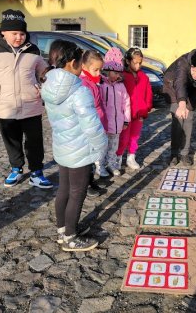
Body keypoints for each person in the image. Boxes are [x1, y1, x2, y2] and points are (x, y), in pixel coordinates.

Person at [0, 9, 53, 189]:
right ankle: (16, 168)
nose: (19, 37)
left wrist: (52, 78)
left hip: (31, 103)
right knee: (12, 140)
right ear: (3, 32)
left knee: (34, 141)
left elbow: (43, 72)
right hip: (4, 105)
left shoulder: (33, 49)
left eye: (22, 33)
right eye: (14, 33)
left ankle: (36, 172)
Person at [41, 39, 107, 252]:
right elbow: (91, 125)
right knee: (78, 192)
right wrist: (101, 146)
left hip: (62, 146)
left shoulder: (50, 84)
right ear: (71, 63)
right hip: (79, 149)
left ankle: (63, 230)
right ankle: (70, 237)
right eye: (79, 62)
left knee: (64, 190)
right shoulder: (79, 91)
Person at [162, 47, 196, 166]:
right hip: (173, 85)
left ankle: (185, 153)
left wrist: (188, 106)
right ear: (191, 64)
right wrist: (182, 104)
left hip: (193, 89)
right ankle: (174, 153)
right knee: (178, 119)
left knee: (189, 119)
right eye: (194, 70)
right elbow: (180, 83)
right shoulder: (183, 63)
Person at [116, 47, 153, 170]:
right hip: (125, 114)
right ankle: (118, 157)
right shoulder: (122, 76)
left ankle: (131, 157)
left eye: (140, 63)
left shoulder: (144, 77)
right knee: (124, 137)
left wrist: (146, 108)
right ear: (128, 61)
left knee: (135, 136)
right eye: (135, 62)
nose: (138, 65)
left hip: (139, 113)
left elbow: (148, 94)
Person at [100, 47, 131, 177]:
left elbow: (126, 103)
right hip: (104, 125)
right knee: (102, 147)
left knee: (113, 147)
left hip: (117, 124)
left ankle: (111, 164)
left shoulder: (121, 86)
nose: (118, 75)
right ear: (107, 70)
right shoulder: (101, 85)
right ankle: (100, 166)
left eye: (119, 73)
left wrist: (126, 120)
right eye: (115, 73)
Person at [80, 50, 108, 195]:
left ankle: (90, 181)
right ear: (84, 67)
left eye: (100, 70)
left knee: (92, 156)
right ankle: (86, 184)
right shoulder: (84, 83)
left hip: (98, 122)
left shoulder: (94, 80)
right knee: (88, 158)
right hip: (90, 126)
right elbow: (86, 109)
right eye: (95, 70)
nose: (98, 73)